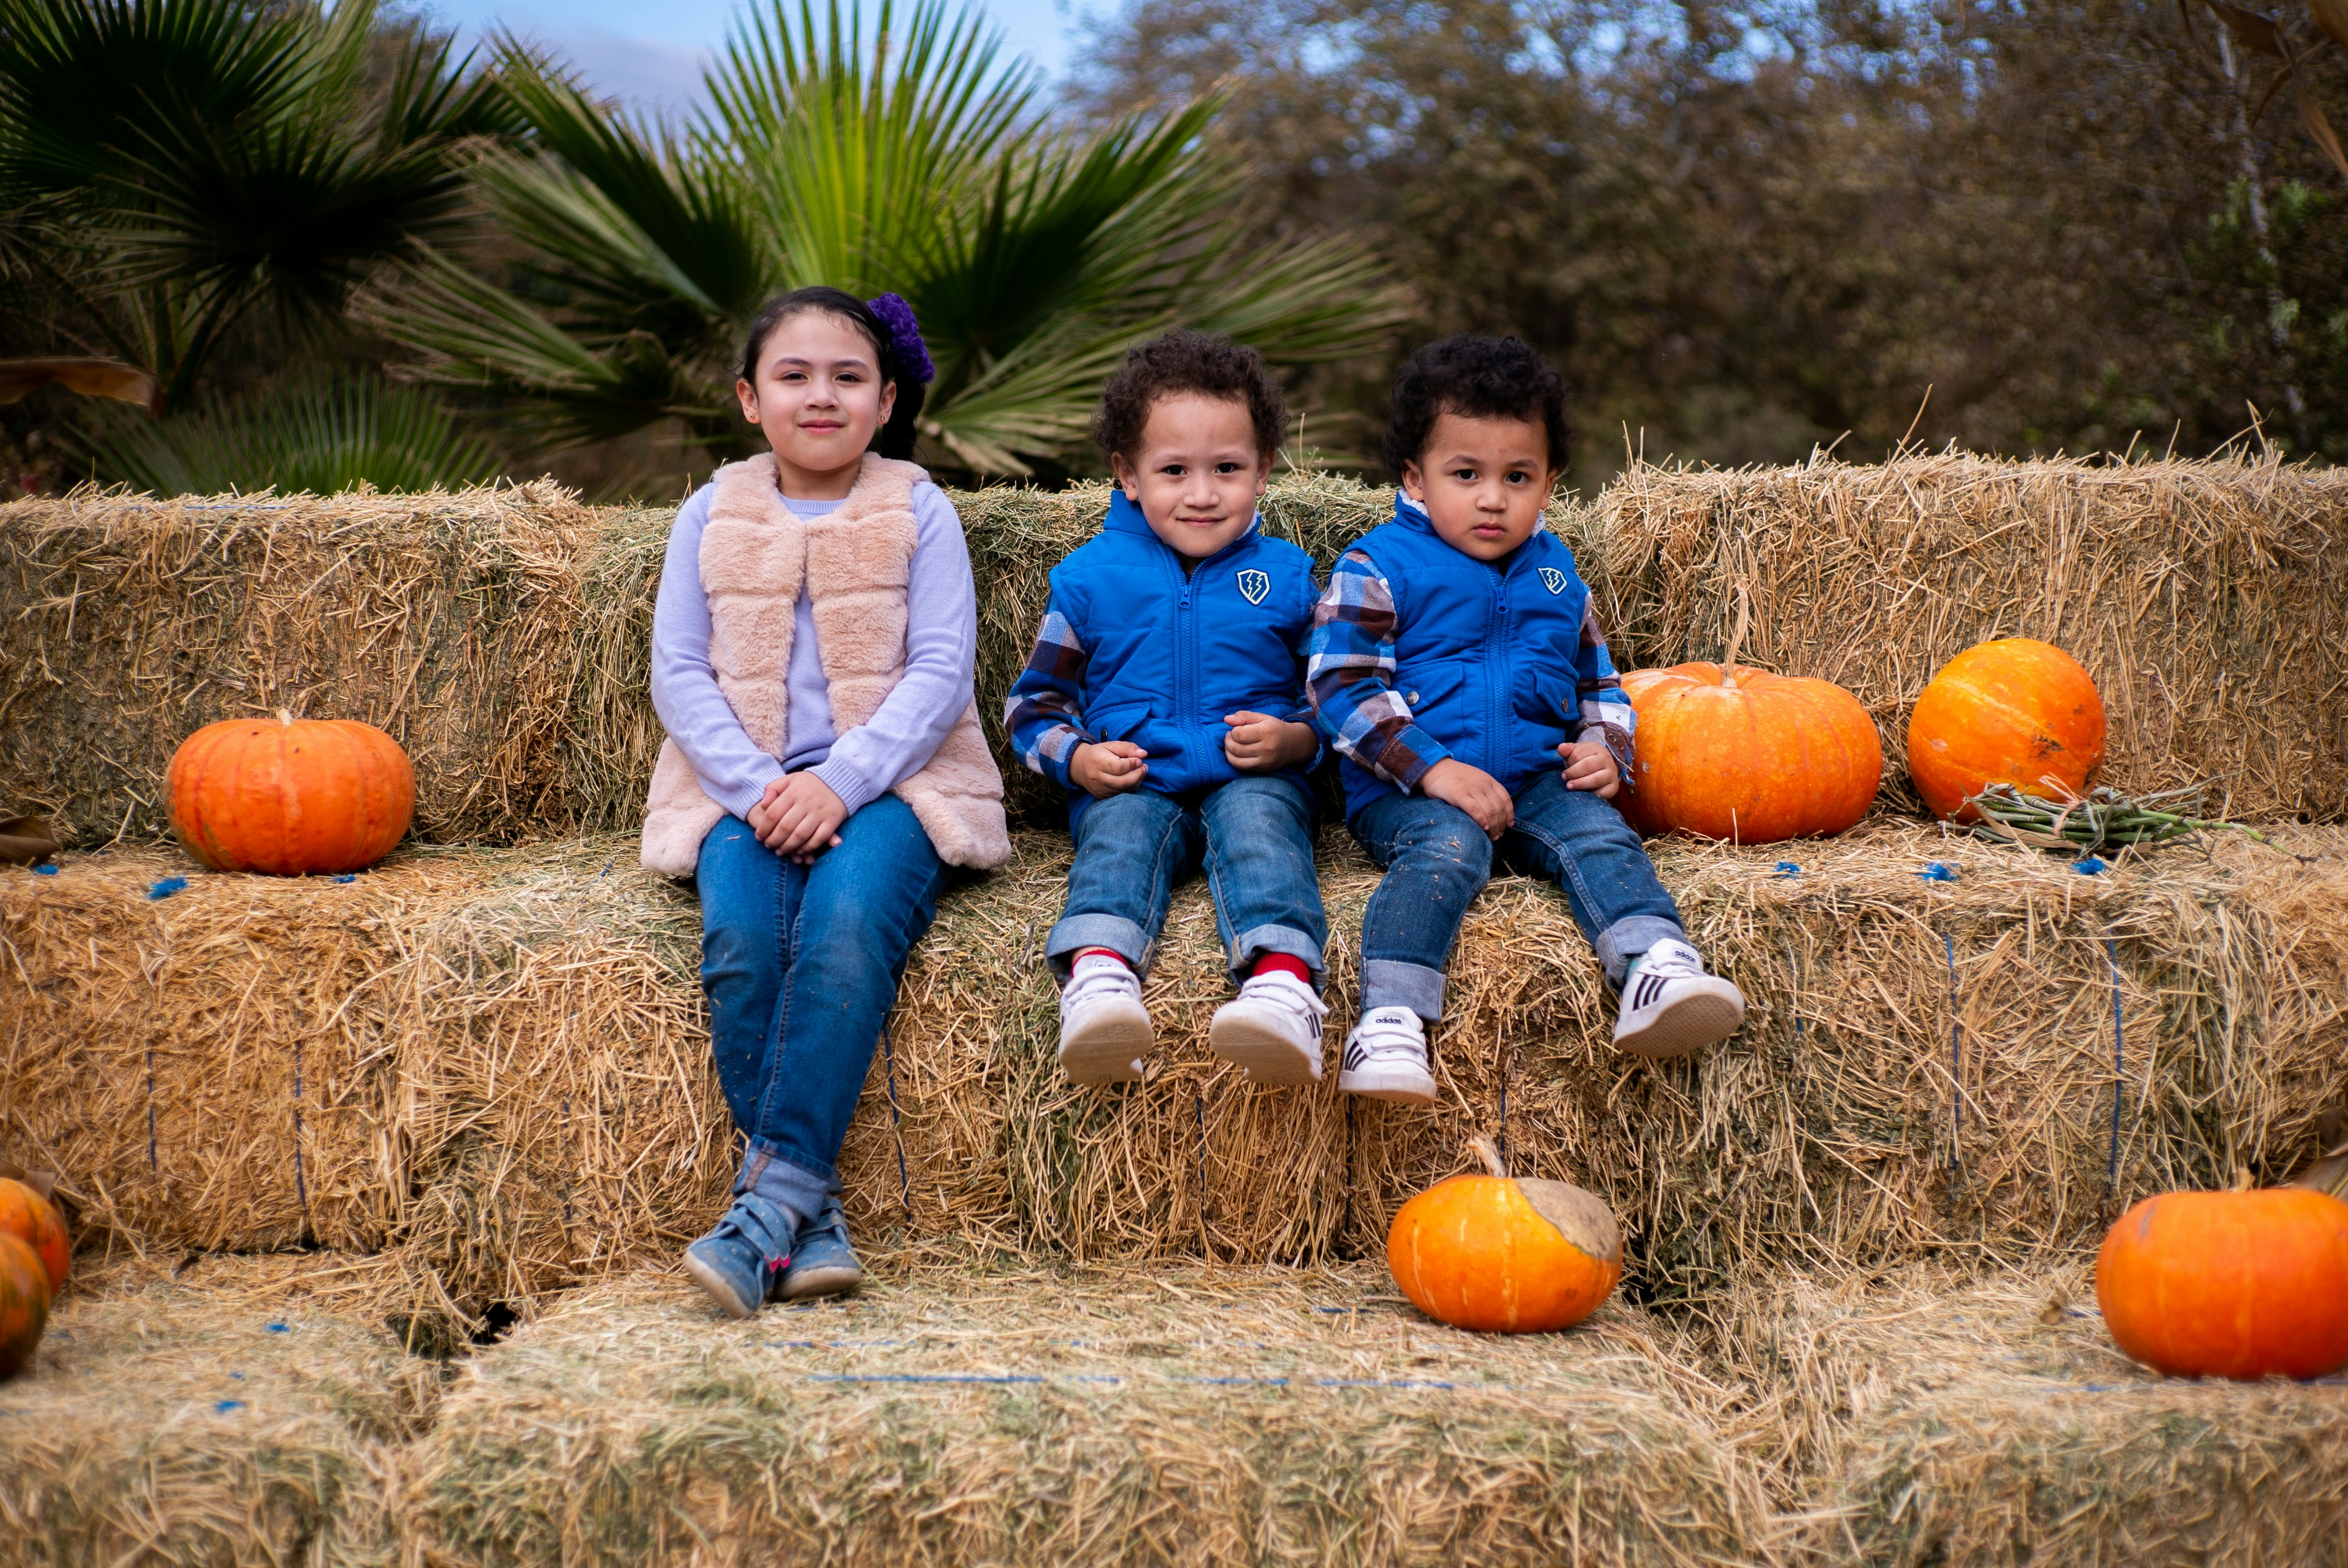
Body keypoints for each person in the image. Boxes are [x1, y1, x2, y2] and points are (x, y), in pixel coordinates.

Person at [642, 287, 1011, 1318]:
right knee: (748, 948)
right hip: (742, 792)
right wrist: (763, 789)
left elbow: (940, 671)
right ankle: (809, 1216)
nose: (821, 396)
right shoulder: (712, 511)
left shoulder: (918, 508)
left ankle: (769, 1202)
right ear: (750, 401)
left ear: (886, 401)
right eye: (794, 375)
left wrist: (839, 781)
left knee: (845, 928)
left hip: (896, 783)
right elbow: (678, 670)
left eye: (848, 377)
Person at [1305, 334, 1745, 1103]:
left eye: (1518, 477)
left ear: (1550, 484)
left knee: (1601, 833)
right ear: (1415, 478)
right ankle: (1390, 1020)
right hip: (1412, 793)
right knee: (1446, 854)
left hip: (1539, 780)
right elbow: (1341, 687)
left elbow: (1599, 681)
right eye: (1465, 474)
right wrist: (1434, 769)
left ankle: (1653, 965)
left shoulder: (1556, 575)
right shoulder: (1378, 567)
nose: (1492, 498)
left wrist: (1606, 747)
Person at [1005, 331, 1331, 1087]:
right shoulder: (1089, 580)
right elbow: (1033, 707)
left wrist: (1295, 741)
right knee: (1118, 839)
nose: (1202, 492)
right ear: (1127, 475)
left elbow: (1338, 697)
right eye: (1174, 470)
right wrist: (1080, 760)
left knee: (1259, 829)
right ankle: (1101, 980)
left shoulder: (1286, 577)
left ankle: (1283, 984)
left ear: (1264, 471)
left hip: (1251, 773)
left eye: (1227, 469)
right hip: (1136, 776)